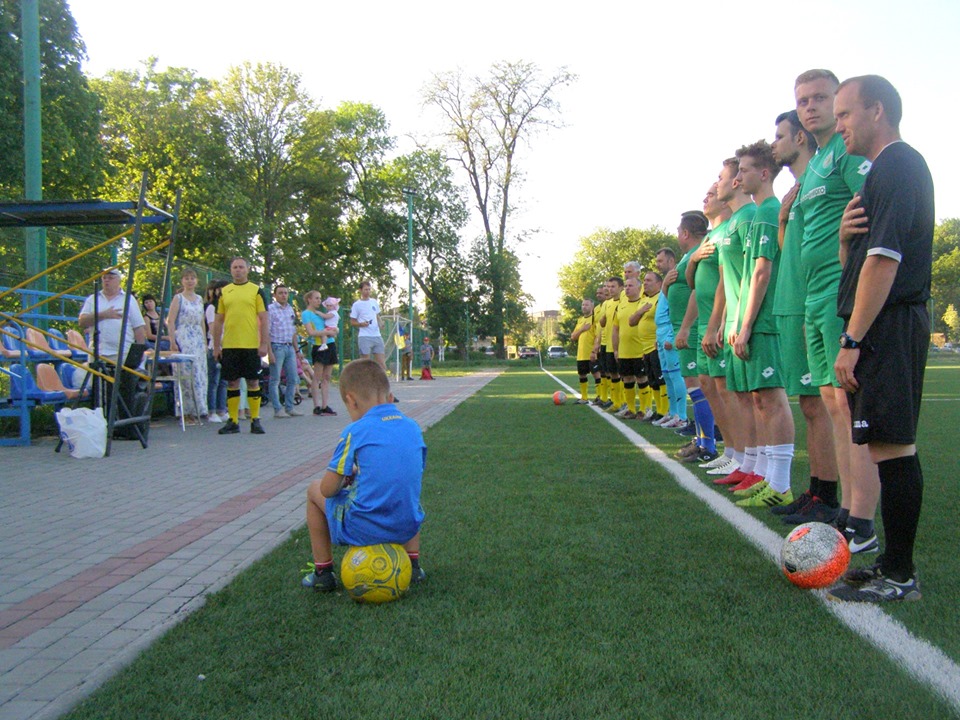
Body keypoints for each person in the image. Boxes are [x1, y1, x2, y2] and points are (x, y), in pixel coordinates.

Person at [827, 75, 933, 602]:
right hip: (879, 325)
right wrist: (847, 242)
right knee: (883, 446)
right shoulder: (879, 174)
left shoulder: (898, 163)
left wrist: (852, 339)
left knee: (894, 447)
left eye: (844, 114)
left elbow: (885, 263)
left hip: (888, 326)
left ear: (875, 111)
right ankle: (893, 567)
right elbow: (864, 263)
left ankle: (899, 574)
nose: (838, 124)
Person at [788, 68, 879, 545]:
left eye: (821, 98)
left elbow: (872, 202)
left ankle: (860, 516)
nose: (811, 107)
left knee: (845, 405)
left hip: (839, 293)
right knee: (830, 401)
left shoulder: (846, 151)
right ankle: (844, 506)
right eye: (803, 100)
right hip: (813, 297)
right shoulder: (818, 160)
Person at [301, 359, 426, 592]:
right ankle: (414, 565)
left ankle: (323, 572)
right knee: (404, 490)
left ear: (351, 400)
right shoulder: (412, 427)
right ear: (390, 398)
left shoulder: (354, 431)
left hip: (365, 528)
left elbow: (328, 490)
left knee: (313, 489)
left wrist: (345, 478)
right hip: (407, 524)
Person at [769, 110, 839, 520]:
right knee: (810, 405)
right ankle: (817, 490)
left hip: (813, 300)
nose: (775, 143)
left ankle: (828, 497)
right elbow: (787, 249)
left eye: (779, 136)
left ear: (799, 137)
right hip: (792, 302)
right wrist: (782, 217)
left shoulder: (822, 178)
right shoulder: (796, 190)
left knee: (822, 404)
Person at [729, 140, 796, 509]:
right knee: (759, 399)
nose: (739, 177)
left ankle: (781, 484)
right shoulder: (759, 214)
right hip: (753, 321)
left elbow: (761, 272)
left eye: (745, 170)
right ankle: (770, 478)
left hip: (766, 321)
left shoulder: (770, 211)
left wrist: (748, 323)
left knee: (771, 398)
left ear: (764, 173)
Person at [212, 257, 269, 435]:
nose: (238, 270)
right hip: (230, 345)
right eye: (235, 267)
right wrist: (216, 346)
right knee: (232, 382)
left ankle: (255, 420)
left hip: (251, 345)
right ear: (231, 270)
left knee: (253, 381)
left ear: (247, 269)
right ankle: (233, 420)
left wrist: (264, 343)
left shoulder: (256, 291)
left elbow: (264, 318)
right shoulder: (225, 292)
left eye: (241, 267)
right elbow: (218, 320)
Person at [165, 268, 209, 421]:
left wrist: (204, 340)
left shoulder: (199, 299)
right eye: (186, 278)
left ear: (196, 281)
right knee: (185, 372)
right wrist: (172, 340)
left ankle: (200, 407)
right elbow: (170, 320)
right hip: (184, 336)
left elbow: (202, 321)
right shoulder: (178, 298)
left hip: (197, 337)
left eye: (192, 278)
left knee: (200, 373)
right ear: (182, 281)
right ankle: (186, 410)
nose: (190, 281)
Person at [78, 268, 146, 364]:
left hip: (123, 353)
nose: (106, 280)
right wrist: (103, 315)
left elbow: (138, 327)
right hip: (97, 353)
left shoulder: (129, 300)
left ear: (119, 280)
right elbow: (82, 321)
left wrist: (139, 352)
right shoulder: (92, 299)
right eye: (104, 277)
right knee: (95, 378)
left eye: (110, 278)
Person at [266, 284, 303, 419]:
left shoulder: (290, 310)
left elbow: (293, 331)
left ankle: (289, 407)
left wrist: (297, 349)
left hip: (289, 347)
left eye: (285, 293)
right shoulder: (270, 309)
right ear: (275, 295)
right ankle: (277, 409)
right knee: (275, 379)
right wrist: (269, 352)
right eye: (280, 293)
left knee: (293, 378)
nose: (283, 295)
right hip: (277, 346)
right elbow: (267, 332)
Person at [301, 291, 337, 416]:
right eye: (316, 298)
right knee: (317, 377)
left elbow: (332, 325)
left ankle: (325, 405)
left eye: (320, 298)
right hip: (319, 346)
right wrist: (327, 333)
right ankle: (316, 406)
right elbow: (311, 332)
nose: (318, 301)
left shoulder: (322, 314)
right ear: (309, 299)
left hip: (330, 344)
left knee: (327, 377)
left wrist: (334, 331)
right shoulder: (306, 314)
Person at [204, 280, 228, 423]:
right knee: (214, 381)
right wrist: (218, 346)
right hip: (215, 347)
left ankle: (222, 409)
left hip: (227, 348)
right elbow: (213, 330)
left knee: (224, 381)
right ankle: (211, 411)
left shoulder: (227, 308)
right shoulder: (212, 308)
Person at [570, 297, 596, 404]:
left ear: (592, 306)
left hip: (592, 353)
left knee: (597, 374)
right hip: (581, 354)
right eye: (583, 305)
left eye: (586, 305)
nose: (584, 307)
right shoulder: (580, 320)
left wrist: (595, 350)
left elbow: (598, 335)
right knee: (582, 375)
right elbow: (573, 337)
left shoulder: (595, 319)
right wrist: (582, 329)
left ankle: (601, 397)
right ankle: (584, 397)